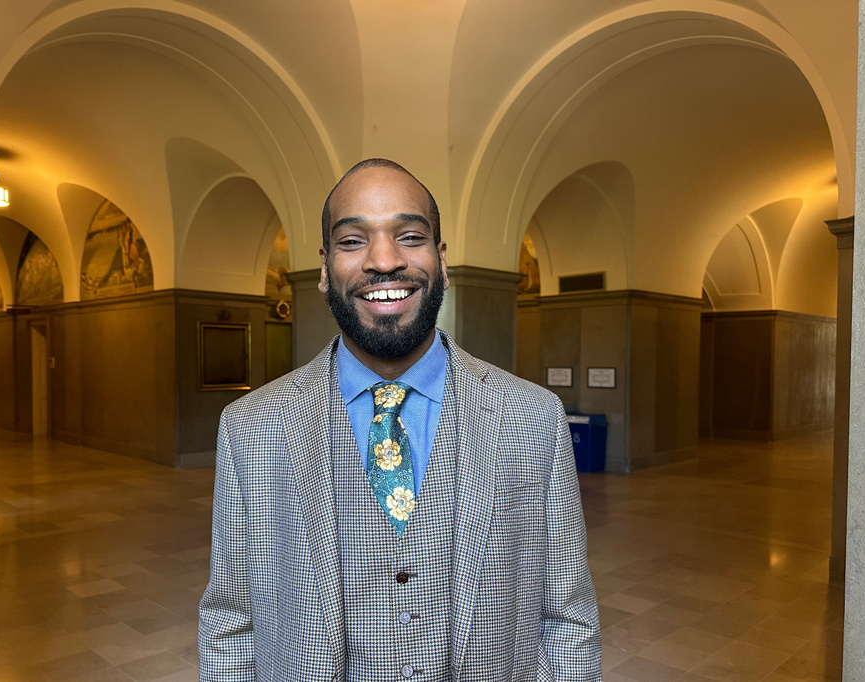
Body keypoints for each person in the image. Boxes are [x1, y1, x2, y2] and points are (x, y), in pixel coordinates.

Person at [198, 159, 601, 681]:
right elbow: (232, 620)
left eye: (410, 236)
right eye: (352, 241)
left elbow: (566, 615)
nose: (384, 261)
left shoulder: (531, 418)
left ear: (441, 259)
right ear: (323, 268)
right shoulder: (251, 428)